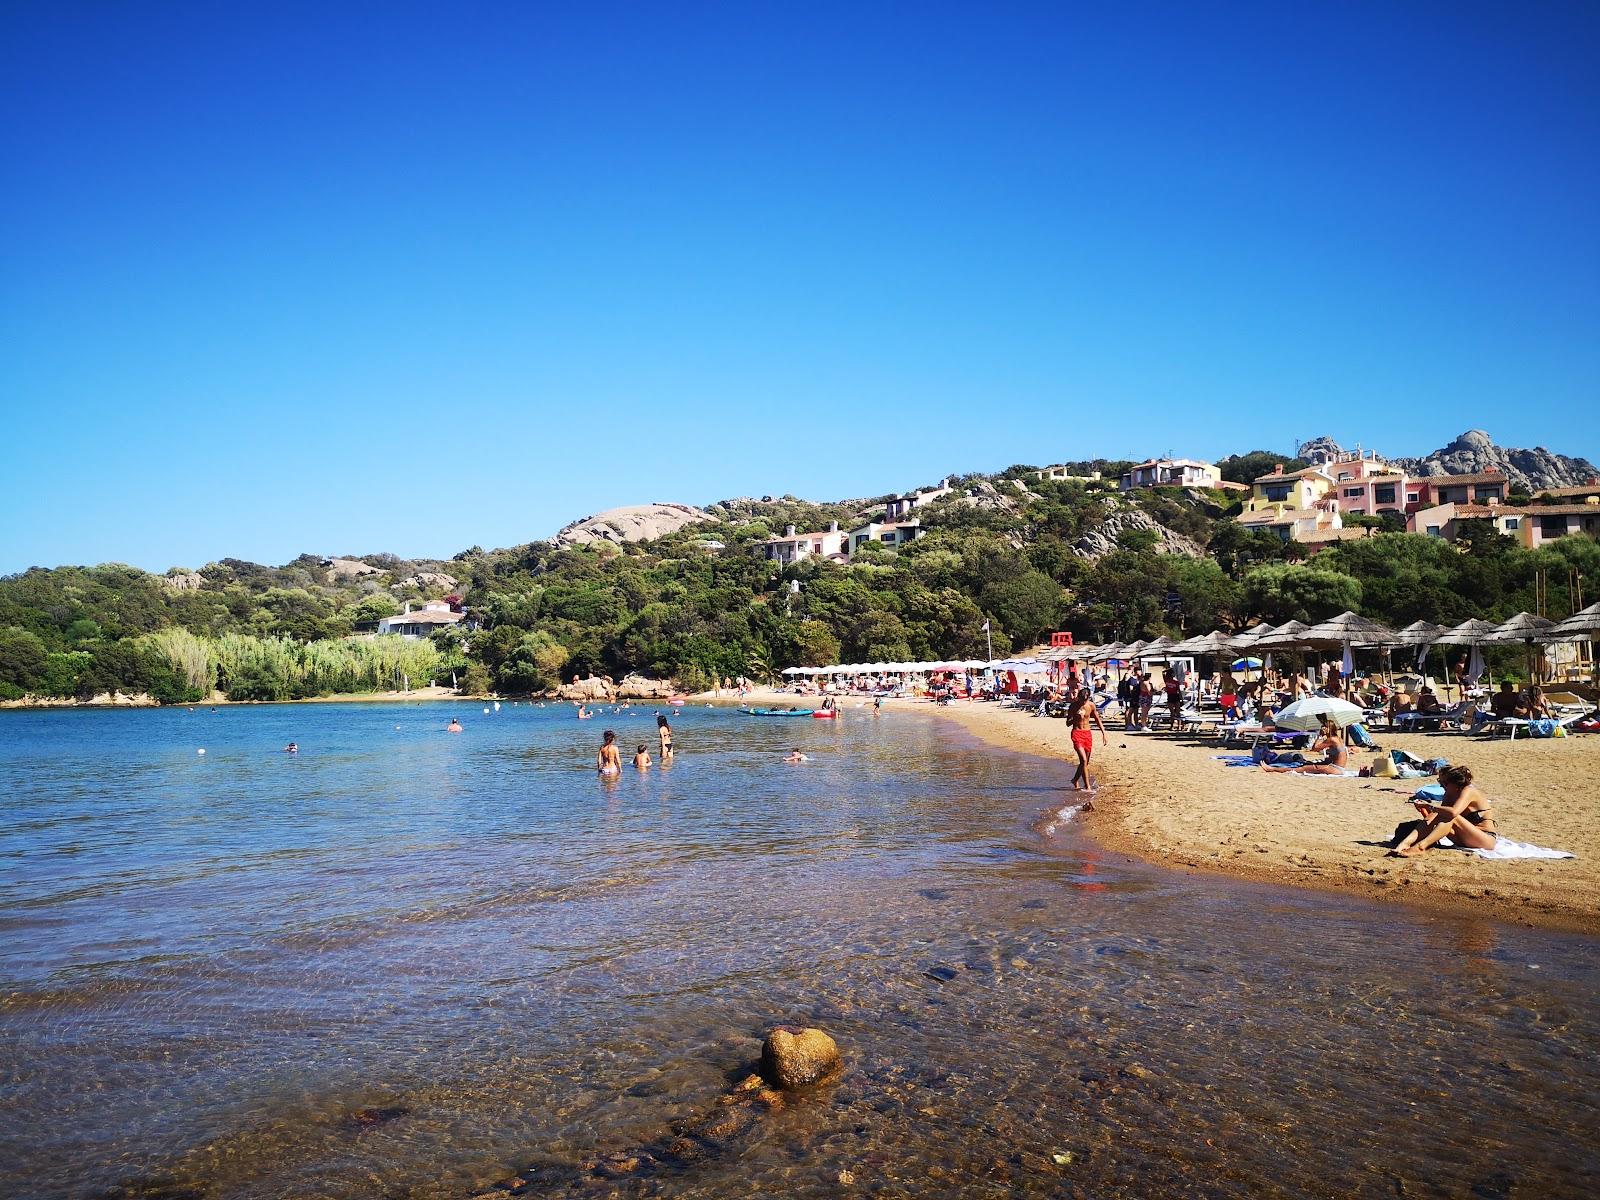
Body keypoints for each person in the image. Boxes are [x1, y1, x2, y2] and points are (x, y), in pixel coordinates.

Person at [1387, 765, 1497, 856]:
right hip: (1462, 837)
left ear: (1455, 783)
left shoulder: (1468, 791)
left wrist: (1430, 806)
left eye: (1444, 783)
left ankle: (1421, 847)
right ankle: (1405, 843)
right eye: (1439, 781)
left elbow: (1453, 813)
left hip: (1484, 839)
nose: (1441, 785)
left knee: (1451, 816)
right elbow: (1437, 818)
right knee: (1438, 814)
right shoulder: (1449, 794)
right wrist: (1424, 809)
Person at [1261, 719, 1349, 774]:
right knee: (1309, 765)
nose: (1323, 728)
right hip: (1339, 768)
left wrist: (1319, 736)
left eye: (1325, 727)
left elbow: (1315, 748)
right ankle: (1273, 769)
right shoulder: (1338, 738)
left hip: (1335, 769)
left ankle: (1271, 769)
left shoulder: (1331, 740)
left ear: (1330, 729)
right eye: (1323, 726)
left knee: (1301, 769)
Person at [1066, 688, 1108, 793]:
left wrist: (1104, 733)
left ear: (1088, 698)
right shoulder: (1073, 706)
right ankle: (1087, 786)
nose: (1082, 702)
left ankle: (1075, 779)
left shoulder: (1091, 706)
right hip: (1076, 733)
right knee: (1083, 760)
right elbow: (1067, 723)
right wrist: (1076, 717)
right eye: (1080, 699)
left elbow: (1097, 719)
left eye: (1084, 700)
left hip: (1087, 734)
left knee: (1086, 762)